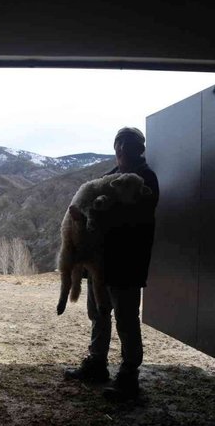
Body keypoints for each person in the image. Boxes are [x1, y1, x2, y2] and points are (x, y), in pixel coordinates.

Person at [63, 126, 159, 401]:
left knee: (126, 318)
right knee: (99, 313)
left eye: (127, 144)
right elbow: (92, 214)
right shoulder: (110, 177)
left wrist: (92, 219)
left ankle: (129, 376)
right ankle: (97, 364)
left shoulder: (146, 179)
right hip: (100, 263)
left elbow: (136, 218)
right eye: (118, 143)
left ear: (139, 148)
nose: (121, 148)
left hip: (127, 261)